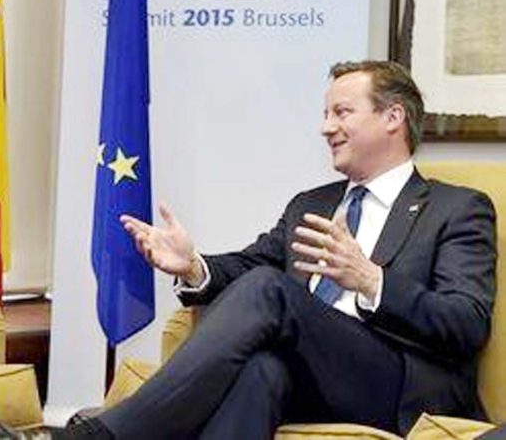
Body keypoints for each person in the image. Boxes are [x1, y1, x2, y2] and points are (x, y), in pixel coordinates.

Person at [94, 60, 496, 439]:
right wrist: (194, 267)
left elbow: (467, 323)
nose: (326, 128)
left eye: (342, 113)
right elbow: (253, 266)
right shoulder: (311, 204)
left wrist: (372, 280)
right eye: (326, 115)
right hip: (310, 378)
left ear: (393, 117)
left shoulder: (457, 209)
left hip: (397, 388)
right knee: (261, 369)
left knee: (270, 288)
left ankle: (110, 433)